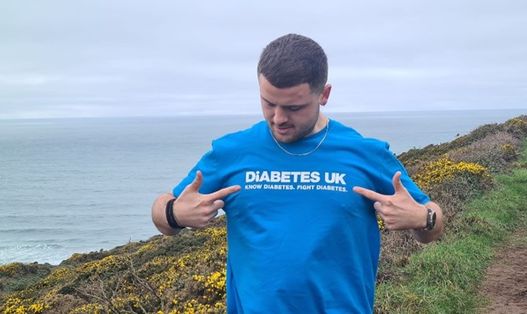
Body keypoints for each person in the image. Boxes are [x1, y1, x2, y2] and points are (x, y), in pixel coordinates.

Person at [151, 33, 444, 313]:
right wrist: (175, 213)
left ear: (324, 94)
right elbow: (162, 213)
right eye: (268, 103)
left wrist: (422, 218)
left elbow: (433, 221)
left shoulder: (365, 153)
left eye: (294, 107)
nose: (278, 119)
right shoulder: (233, 152)